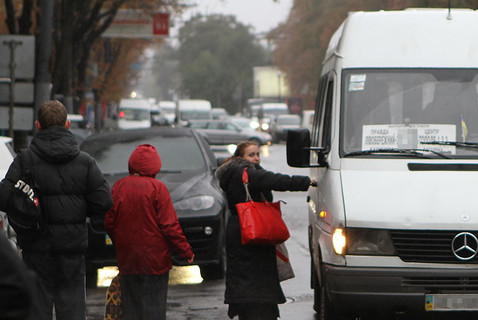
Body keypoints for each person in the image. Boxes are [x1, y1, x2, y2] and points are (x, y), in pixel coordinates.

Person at [0, 100, 113, 320]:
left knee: (38, 307)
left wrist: (25, 211)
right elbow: (104, 201)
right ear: (67, 125)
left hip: (35, 250)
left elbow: (4, 197)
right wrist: (79, 210)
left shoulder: (25, 161)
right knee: (71, 307)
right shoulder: (85, 162)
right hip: (72, 250)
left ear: (38, 125)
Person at [215, 141, 315, 320]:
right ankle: (261, 313)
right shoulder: (246, 172)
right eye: (251, 155)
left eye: (257, 154)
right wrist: (307, 181)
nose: (256, 158)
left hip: (238, 230)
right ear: (241, 157)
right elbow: (277, 180)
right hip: (252, 231)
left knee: (243, 277)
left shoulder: (232, 173)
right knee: (258, 280)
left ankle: (247, 312)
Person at [104, 144, 194, 320]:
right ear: (156, 166)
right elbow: (170, 226)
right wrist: (186, 251)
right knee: (154, 308)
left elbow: (109, 222)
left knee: (131, 308)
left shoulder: (119, 187)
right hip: (155, 261)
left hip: (128, 260)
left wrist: (122, 243)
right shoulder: (157, 188)